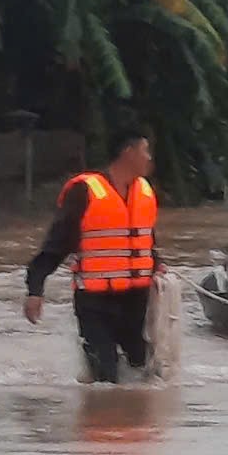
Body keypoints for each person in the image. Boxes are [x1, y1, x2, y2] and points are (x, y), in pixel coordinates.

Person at [24, 130, 161, 383]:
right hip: (95, 303)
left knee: (143, 371)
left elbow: (146, 240)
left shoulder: (144, 191)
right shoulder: (85, 192)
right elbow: (56, 244)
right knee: (105, 377)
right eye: (145, 150)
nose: (149, 157)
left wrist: (158, 265)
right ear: (127, 152)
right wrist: (35, 289)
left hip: (135, 300)